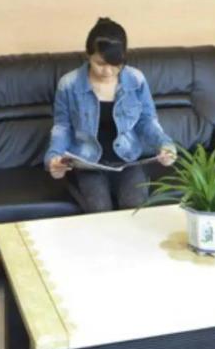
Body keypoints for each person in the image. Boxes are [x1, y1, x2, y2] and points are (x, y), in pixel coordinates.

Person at [45, 17, 177, 212]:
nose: (107, 71)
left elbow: (147, 120)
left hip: (127, 160)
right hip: (88, 162)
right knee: (100, 208)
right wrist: (54, 157)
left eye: (115, 64)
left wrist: (164, 144)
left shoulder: (136, 80)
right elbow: (62, 127)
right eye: (100, 63)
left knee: (135, 206)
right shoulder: (69, 84)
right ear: (88, 55)